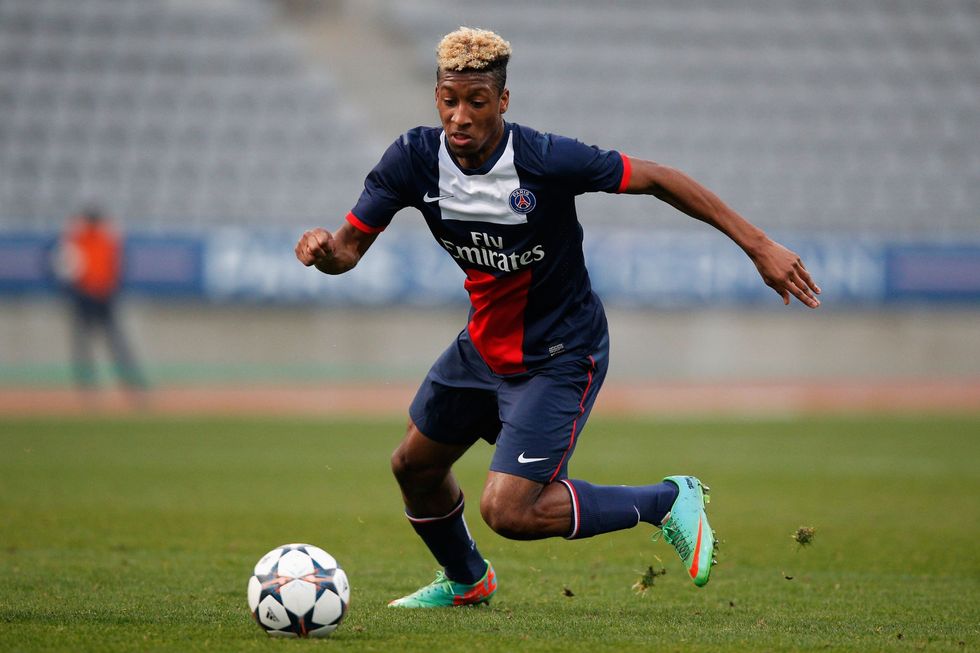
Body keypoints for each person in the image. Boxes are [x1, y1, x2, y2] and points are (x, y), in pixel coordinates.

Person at [295, 27, 821, 607]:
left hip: (560, 354)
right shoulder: (413, 161)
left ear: (503, 101)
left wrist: (759, 246)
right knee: (413, 466)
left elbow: (659, 178)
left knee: (509, 510)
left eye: (476, 101)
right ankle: (469, 582)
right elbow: (347, 250)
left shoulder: (545, 160)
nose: (460, 116)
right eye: (449, 99)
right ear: (437, 97)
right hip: (483, 348)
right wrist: (325, 254)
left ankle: (667, 501)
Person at [55, 206, 146, 396]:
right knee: (93, 343)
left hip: (100, 295)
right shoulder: (82, 239)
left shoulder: (95, 239)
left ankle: (126, 383)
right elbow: (68, 268)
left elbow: (115, 265)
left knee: (110, 342)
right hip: (91, 296)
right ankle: (93, 385)